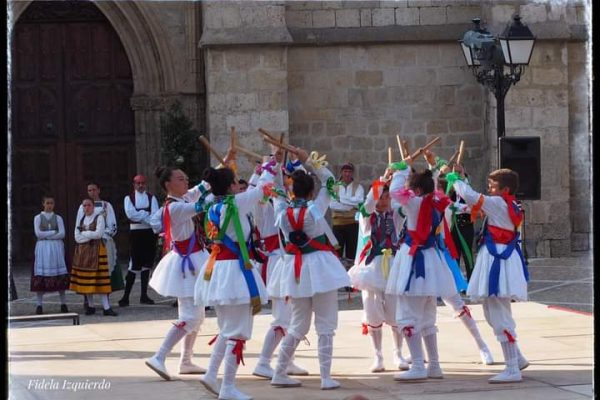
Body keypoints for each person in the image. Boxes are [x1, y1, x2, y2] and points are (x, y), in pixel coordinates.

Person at [196, 151, 277, 400]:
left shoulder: (212, 203)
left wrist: (261, 169)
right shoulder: (236, 203)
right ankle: (228, 387)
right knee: (238, 331)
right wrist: (270, 162)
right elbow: (264, 187)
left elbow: (254, 188)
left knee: (227, 328)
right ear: (231, 186)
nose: (239, 185)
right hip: (234, 272)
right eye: (235, 182)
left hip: (217, 270)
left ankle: (212, 375)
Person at [270, 148, 351, 390]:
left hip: (296, 270)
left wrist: (276, 166)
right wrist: (307, 159)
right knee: (326, 324)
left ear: (291, 190)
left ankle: (279, 372)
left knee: (297, 324)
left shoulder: (282, 212)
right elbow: (330, 181)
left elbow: (275, 192)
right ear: (312, 191)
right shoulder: (316, 208)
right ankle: (325, 377)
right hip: (319, 268)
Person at [449, 166, 530, 383]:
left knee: (499, 311)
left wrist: (455, 178)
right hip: (501, 257)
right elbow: (474, 201)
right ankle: (518, 358)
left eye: (493, 186)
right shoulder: (509, 203)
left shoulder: (498, 202)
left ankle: (512, 368)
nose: (489, 189)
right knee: (491, 310)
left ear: (504, 189)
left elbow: (471, 196)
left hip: (498, 259)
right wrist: (462, 177)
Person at [385, 159, 457, 381]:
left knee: (407, 315)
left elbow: (395, 192)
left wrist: (401, 170)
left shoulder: (414, 203)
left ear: (416, 190)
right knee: (427, 316)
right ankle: (434, 365)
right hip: (432, 260)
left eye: (410, 188)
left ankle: (418, 365)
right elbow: (432, 189)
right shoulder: (436, 201)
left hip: (415, 261)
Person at [145, 166, 212, 380]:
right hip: (188, 265)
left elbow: (201, 188)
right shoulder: (175, 208)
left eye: (186, 178)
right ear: (168, 185)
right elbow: (202, 204)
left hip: (194, 260)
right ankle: (160, 356)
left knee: (197, 315)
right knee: (190, 316)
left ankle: (185, 360)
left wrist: (222, 167)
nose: (186, 182)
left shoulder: (182, 199)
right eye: (180, 179)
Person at [251, 148, 308, 380]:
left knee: (294, 317)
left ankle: (288, 361)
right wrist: (269, 165)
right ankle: (264, 362)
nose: (286, 182)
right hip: (279, 262)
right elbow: (265, 188)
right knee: (282, 318)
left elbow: (301, 185)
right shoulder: (264, 202)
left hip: (286, 261)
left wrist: (292, 162)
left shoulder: (281, 200)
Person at [348, 175, 410, 373]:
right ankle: (378, 356)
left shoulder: (397, 215)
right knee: (372, 311)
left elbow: (403, 200)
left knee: (395, 312)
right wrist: (380, 182)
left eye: (386, 197)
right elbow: (367, 203)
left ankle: (398, 353)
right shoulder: (367, 216)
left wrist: (401, 174)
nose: (383, 201)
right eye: (380, 197)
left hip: (393, 265)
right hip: (371, 267)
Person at [69, 198, 118, 316]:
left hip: (97, 252)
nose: (86, 208)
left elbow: (98, 234)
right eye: (84, 205)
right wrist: (89, 234)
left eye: (89, 205)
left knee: (101, 280)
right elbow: (77, 237)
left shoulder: (99, 218)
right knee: (86, 280)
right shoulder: (81, 219)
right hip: (83, 253)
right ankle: (90, 306)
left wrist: (84, 233)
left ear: (93, 206)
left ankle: (106, 308)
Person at [119, 174, 160, 306]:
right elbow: (131, 214)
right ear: (134, 184)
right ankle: (125, 296)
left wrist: (142, 215)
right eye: (138, 183)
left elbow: (155, 215)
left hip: (149, 233)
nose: (141, 185)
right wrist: (146, 215)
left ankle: (144, 295)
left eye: (143, 183)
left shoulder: (151, 198)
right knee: (134, 263)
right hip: (136, 233)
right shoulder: (128, 198)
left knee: (146, 264)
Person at [31, 195, 70, 314]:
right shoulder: (38, 217)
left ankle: (63, 303)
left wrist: (46, 234)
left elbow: (62, 233)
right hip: (43, 248)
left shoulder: (58, 218)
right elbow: (38, 233)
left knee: (59, 275)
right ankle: (39, 305)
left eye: (51, 203)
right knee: (41, 276)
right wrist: (54, 232)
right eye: (47, 203)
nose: (49, 205)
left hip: (56, 248)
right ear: (43, 204)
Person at [330, 162, 364, 264]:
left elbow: (359, 203)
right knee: (336, 253)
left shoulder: (358, 187)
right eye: (345, 171)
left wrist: (340, 200)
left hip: (352, 224)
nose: (347, 174)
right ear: (341, 172)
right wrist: (351, 205)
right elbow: (332, 205)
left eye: (349, 171)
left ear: (352, 173)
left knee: (351, 254)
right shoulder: (334, 187)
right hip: (338, 224)